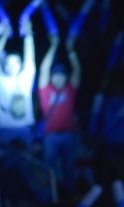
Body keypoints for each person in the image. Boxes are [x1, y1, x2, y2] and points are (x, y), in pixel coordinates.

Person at [37, 35, 82, 195]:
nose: (58, 78)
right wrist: (53, 47)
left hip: (69, 135)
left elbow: (77, 71)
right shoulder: (45, 90)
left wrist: (71, 52)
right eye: (55, 75)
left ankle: (70, 196)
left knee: (70, 169)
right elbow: (43, 70)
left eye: (62, 75)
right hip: (50, 137)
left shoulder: (70, 90)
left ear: (65, 77)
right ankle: (50, 197)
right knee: (49, 169)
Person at [0, 22, 36, 148]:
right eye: (9, 63)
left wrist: (28, 35)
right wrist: (3, 36)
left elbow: (30, 58)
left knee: (27, 165)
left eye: (15, 63)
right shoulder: (0, 81)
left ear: (20, 65)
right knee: (6, 164)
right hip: (5, 129)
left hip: (25, 129)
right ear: (5, 65)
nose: (12, 66)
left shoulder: (26, 78)